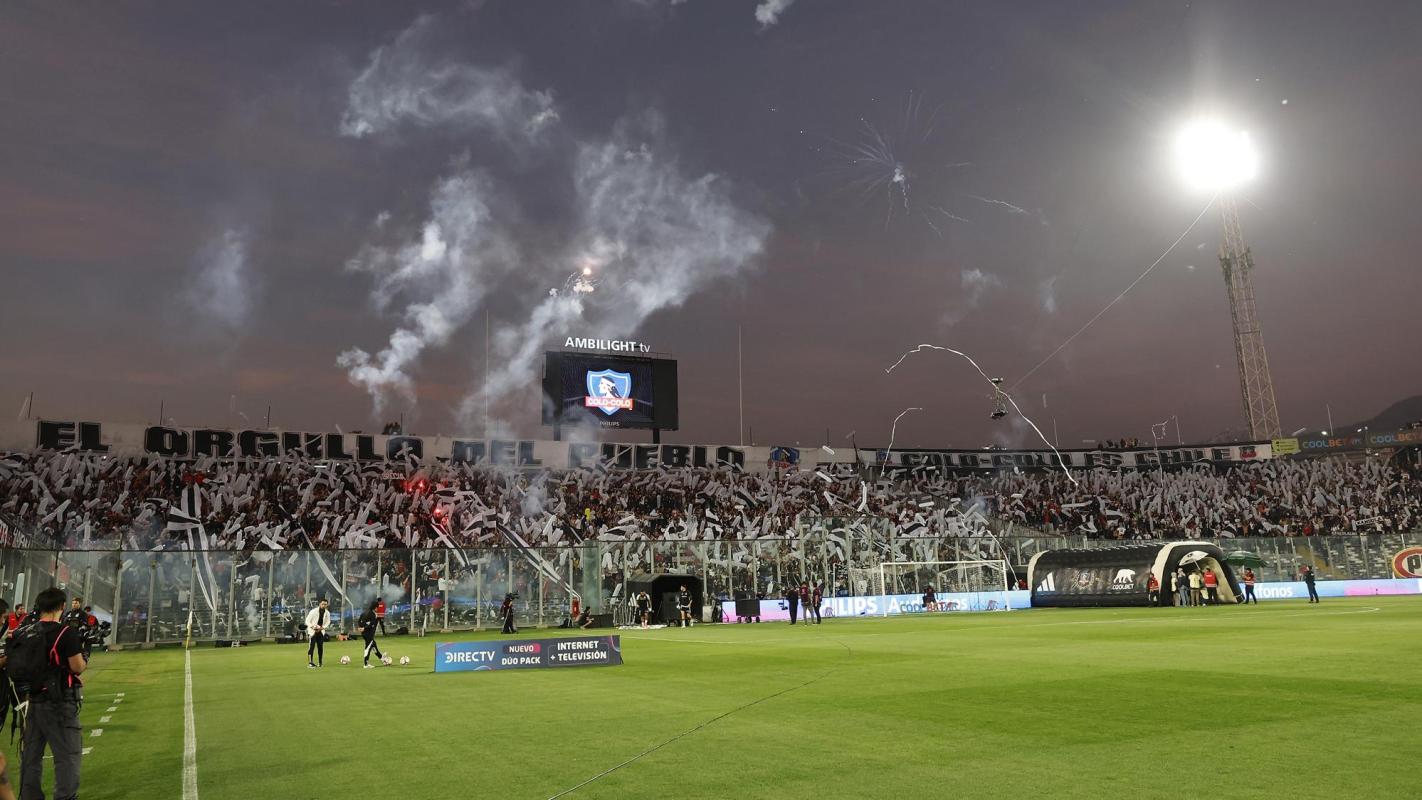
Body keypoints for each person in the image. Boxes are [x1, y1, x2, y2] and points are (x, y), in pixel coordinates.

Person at [17, 587, 86, 800]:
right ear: (62, 606)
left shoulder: (25, 632)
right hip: (59, 701)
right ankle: (65, 797)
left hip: (33, 699)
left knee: (31, 756)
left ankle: (29, 796)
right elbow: (77, 666)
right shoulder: (65, 633)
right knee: (67, 755)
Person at [357, 600, 385, 669]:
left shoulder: (364, 612)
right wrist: (364, 628)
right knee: (368, 648)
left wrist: (361, 627)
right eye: (377, 607)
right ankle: (366, 664)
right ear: (375, 607)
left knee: (373, 645)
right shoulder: (372, 614)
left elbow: (359, 621)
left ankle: (382, 658)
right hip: (369, 634)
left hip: (364, 633)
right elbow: (372, 624)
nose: (377, 609)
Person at [305, 598, 331, 668]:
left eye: (325, 604)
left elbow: (328, 622)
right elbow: (307, 621)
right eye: (322, 604)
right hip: (312, 631)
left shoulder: (327, 613)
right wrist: (312, 627)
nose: (324, 605)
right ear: (320, 604)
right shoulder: (313, 611)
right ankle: (310, 663)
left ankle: (320, 662)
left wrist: (322, 627)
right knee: (311, 647)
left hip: (321, 631)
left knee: (320, 647)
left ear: (327, 605)